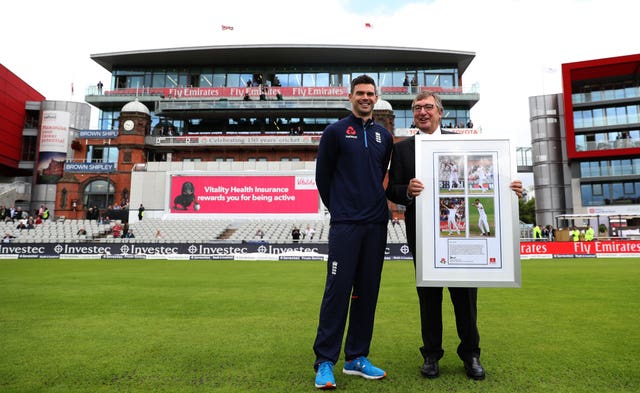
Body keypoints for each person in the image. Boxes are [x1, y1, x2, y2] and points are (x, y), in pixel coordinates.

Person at [386, 90, 523, 381]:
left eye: (428, 107)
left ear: (440, 112)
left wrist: (512, 190)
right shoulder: (403, 150)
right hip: (423, 236)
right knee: (429, 298)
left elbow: (493, 179)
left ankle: (471, 354)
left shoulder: (462, 143)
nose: (422, 112)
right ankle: (431, 355)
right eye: (417, 108)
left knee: (465, 297)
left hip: (461, 237)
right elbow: (391, 189)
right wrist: (406, 191)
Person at [312, 74, 393, 389]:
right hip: (346, 225)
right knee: (338, 291)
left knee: (367, 293)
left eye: (370, 93)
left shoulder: (383, 137)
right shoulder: (334, 133)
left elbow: (380, 175)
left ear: (376, 97)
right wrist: (341, 210)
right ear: (351, 96)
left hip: (375, 225)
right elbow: (323, 177)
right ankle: (325, 362)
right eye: (360, 93)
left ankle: (356, 357)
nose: (366, 97)